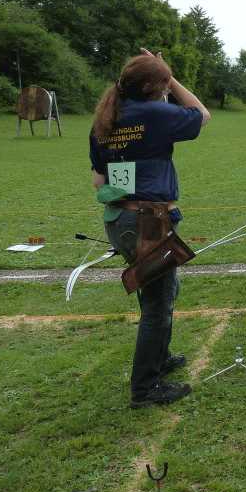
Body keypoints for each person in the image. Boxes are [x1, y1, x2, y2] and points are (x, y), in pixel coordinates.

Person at [90, 49, 211, 408]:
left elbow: (99, 181)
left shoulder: (106, 117)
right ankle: (145, 389)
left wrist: (161, 75)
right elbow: (201, 115)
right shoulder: (155, 113)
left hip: (120, 219)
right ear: (149, 88)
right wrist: (172, 79)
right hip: (148, 221)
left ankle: (160, 357)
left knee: (160, 291)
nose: (166, 90)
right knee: (158, 304)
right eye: (162, 85)